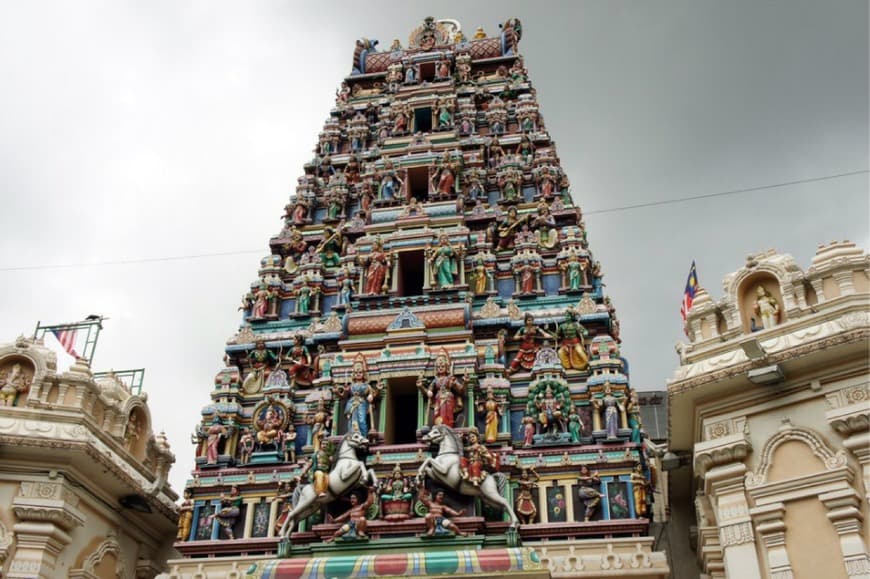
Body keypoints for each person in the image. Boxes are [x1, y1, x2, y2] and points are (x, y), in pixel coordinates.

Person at [419, 352, 465, 427]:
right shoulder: (435, 380)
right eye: (438, 367)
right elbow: (428, 392)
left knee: (447, 416)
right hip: (438, 400)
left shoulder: (450, 378)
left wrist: (465, 382)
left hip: (448, 399)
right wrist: (421, 386)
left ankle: (448, 428)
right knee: (437, 417)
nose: (440, 368)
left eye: (442, 366)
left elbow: (461, 390)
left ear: (447, 367)